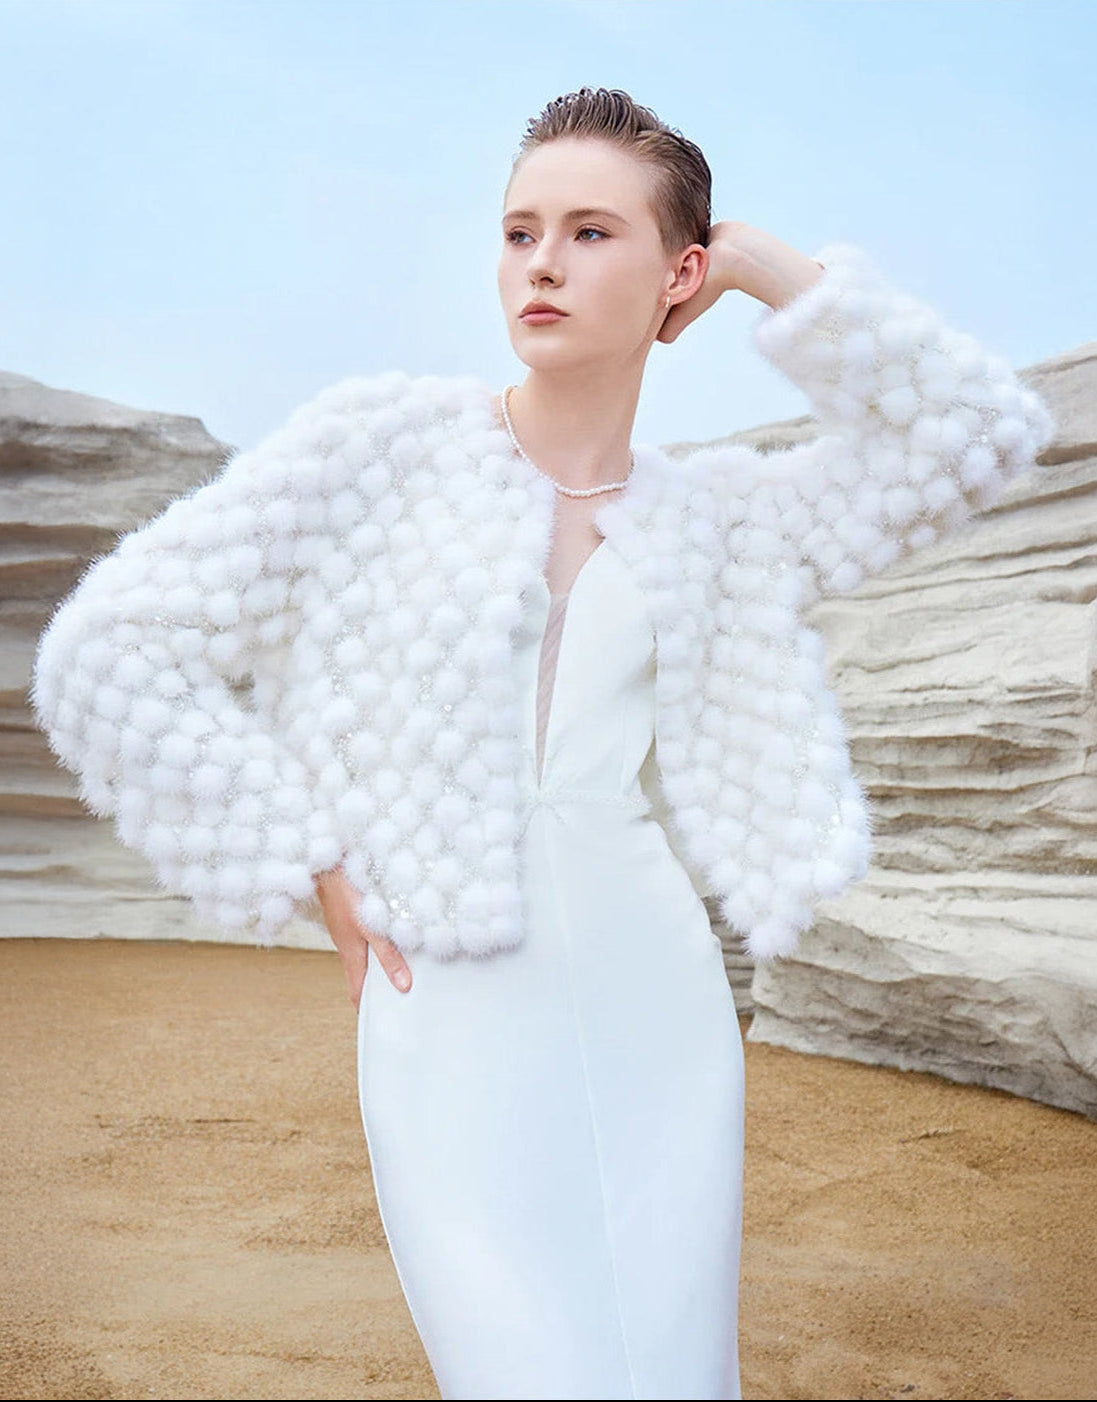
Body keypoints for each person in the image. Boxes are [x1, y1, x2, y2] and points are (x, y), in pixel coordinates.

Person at [31, 88, 1054, 1402]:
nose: (543, 264)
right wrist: (311, 863)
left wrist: (753, 265)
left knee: (674, 1366)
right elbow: (113, 647)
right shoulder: (382, 448)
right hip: (445, 1001)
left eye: (589, 231)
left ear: (672, 274)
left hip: (653, 996)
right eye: (519, 231)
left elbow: (969, 436)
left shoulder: (713, 516)